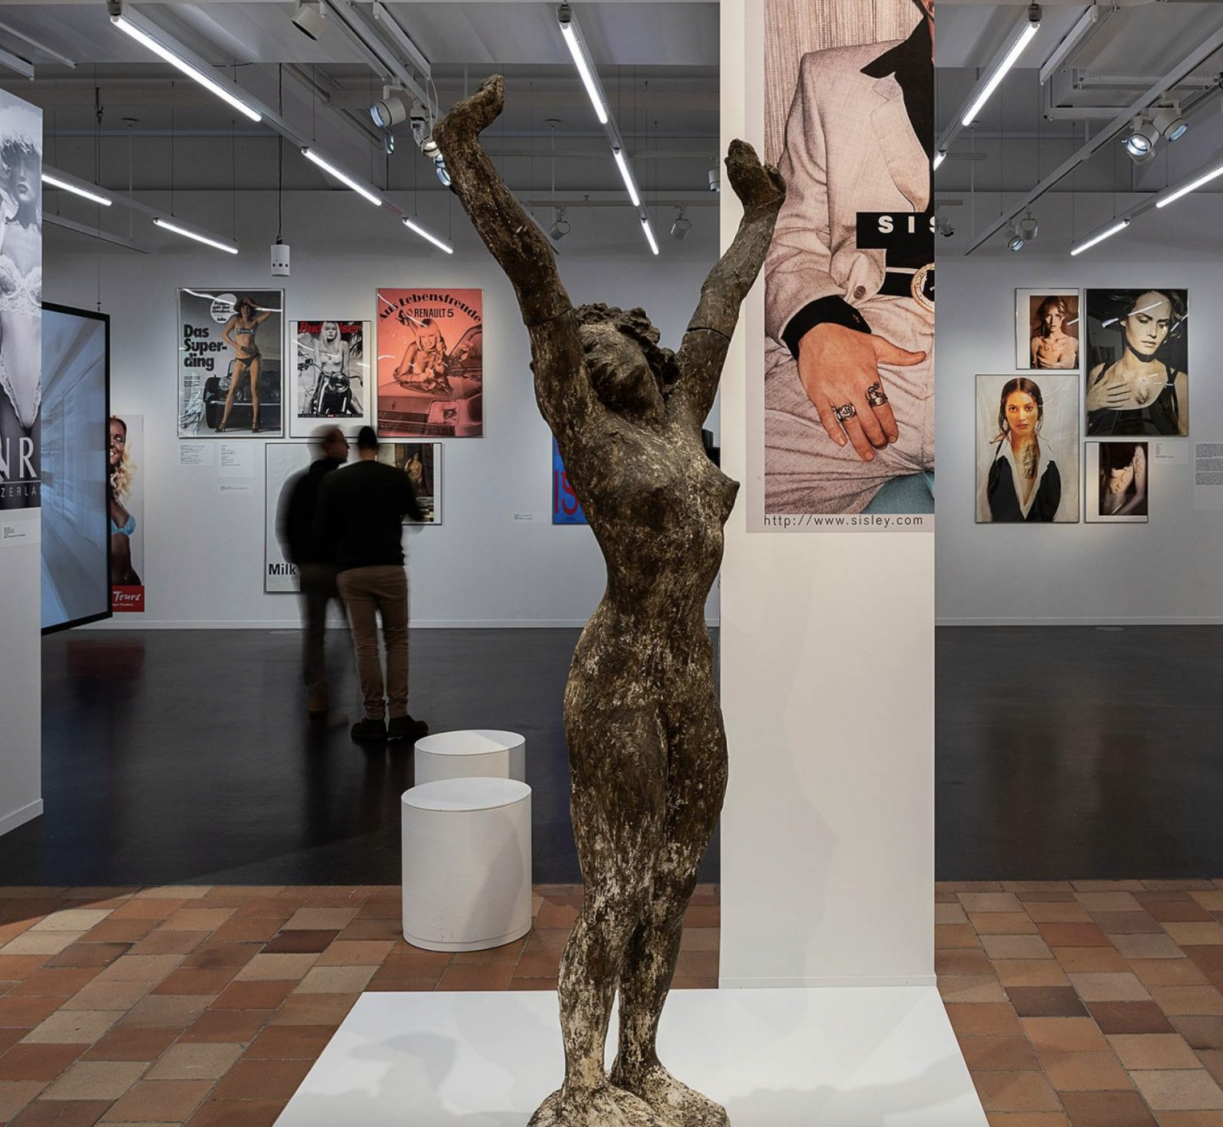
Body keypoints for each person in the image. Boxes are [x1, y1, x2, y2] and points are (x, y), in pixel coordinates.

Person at [435, 76, 782, 1126]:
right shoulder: (589, 437)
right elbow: (536, 279)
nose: (588, 361)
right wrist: (464, 153)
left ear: (642, 342)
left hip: (690, 674)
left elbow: (719, 303)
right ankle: (582, 1081)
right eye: (576, 356)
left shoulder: (681, 413)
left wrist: (761, 214)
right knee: (620, 884)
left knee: (675, 879)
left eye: (604, 344)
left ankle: (643, 1061)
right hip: (620, 675)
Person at [763, 0, 936, 514]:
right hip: (860, 337)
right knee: (731, 507)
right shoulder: (830, 80)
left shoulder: (1056, 81)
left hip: (997, 346)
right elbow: (789, 235)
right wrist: (816, 327)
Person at [313, 426, 427, 741]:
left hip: (352, 572)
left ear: (355, 447)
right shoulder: (396, 478)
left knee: (365, 644)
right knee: (397, 642)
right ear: (377, 448)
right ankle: (399, 715)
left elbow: (321, 529)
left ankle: (374, 717)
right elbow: (417, 517)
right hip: (389, 568)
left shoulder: (336, 481)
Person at [0, 104, 41, 499]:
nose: (21, 173)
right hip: (5, 390)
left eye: (30, 162)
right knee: (11, 504)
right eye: (14, 161)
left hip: (45, 389)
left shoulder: (49, 244)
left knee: (46, 508)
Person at [280, 426, 348, 715]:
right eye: (343, 442)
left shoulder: (300, 483)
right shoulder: (342, 483)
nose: (348, 447)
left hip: (311, 569)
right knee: (361, 633)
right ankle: (371, 698)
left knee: (314, 633)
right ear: (329, 447)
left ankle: (317, 695)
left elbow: (286, 526)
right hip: (341, 569)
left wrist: (300, 560)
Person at [1086, 290, 1188, 436]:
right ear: (1124, 319)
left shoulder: (1179, 382)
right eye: (1144, 320)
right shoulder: (1098, 374)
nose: (1153, 333)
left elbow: (1185, 445)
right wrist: (1086, 406)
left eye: (1162, 324)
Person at [980, 377, 1061, 522]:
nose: (1021, 417)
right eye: (1013, 409)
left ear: (1038, 411)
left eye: (1028, 408)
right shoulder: (988, 457)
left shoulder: (1055, 457)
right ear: (1004, 412)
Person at [217, 297, 272, 433]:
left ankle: (255, 422)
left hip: (254, 357)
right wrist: (237, 346)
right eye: (243, 307)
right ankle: (223, 422)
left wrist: (254, 303)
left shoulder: (255, 322)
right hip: (240, 359)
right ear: (240, 309)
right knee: (232, 390)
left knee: (255, 390)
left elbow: (269, 311)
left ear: (251, 309)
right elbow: (224, 334)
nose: (245, 310)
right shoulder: (235, 320)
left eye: (248, 308)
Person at [301, 321, 362, 417]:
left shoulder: (343, 345)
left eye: (333, 329)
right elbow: (318, 364)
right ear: (323, 331)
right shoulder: (318, 344)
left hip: (338, 382)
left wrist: (347, 386)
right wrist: (314, 385)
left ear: (337, 331)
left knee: (358, 409)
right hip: (323, 382)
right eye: (327, 329)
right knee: (308, 396)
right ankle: (305, 421)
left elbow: (345, 367)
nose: (330, 331)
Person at [109, 417, 140, 587]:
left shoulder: (111, 488)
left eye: (118, 439)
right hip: (106, 591)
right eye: (105, 437)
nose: (112, 443)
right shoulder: (84, 487)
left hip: (130, 586)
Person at [1096, 442, 1147, 517]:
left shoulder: (1137, 450)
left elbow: (1140, 494)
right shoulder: (1107, 444)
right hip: (1101, 509)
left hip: (1119, 510)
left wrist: (1117, 515)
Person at [1029, 297, 1077, 370]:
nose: (1053, 321)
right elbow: (1033, 372)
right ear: (1043, 317)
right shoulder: (1037, 343)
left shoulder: (1074, 343)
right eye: (1048, 316)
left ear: (1063, 316)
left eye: (1057, 315)